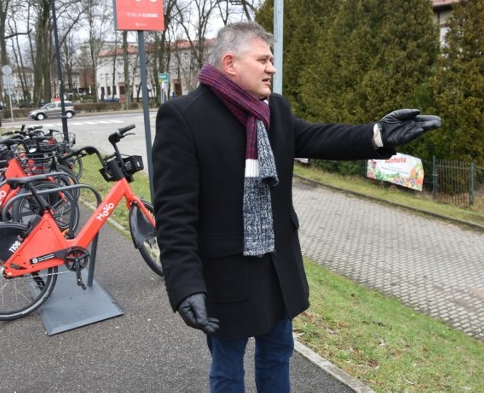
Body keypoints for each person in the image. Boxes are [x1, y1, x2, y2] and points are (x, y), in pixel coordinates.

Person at [152, 21, 441, 392]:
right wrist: (185, 284)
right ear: (230, 63)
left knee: (277, 354)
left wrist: (378, 135)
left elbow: (318, 137)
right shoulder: (184, 117)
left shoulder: (273, 110)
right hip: (225, 275)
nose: (272, 68)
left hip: (277, 271)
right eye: (264, 59)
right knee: (227, 370)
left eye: (271, 60)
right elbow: (174, 212)